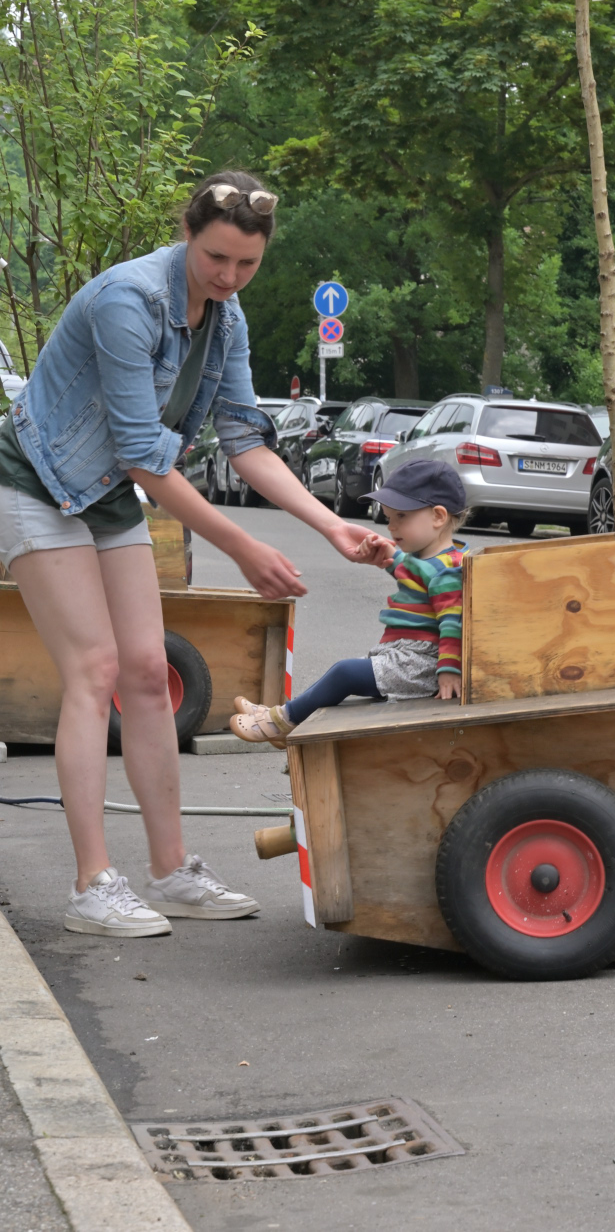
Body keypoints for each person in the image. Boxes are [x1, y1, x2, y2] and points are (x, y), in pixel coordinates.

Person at [0, 171, 392, 938]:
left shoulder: (227, 318)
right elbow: (149, 456)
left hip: (105, 487)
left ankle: (171, 868)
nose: (228, 276)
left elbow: (245, 440)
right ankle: (91, 884)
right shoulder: (127, 300)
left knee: (148, 672)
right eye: (216, 257)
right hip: (36, 481)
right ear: (188, 233)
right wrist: (243, 545)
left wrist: (330, 526)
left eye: (246, 264)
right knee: (95, 669)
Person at [230, 460, 467, 745]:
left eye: (401, 516)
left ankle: (282, 720)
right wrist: (385, 554)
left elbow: (452, 622)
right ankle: (286, 716)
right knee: (345, 673)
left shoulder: (448, 572)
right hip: (407, 656)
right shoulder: (431, 560)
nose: (391, 526)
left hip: (422, 666)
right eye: (389, 517)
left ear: (438, 517)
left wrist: (449, 671)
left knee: (346, 673)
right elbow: (411, 572)